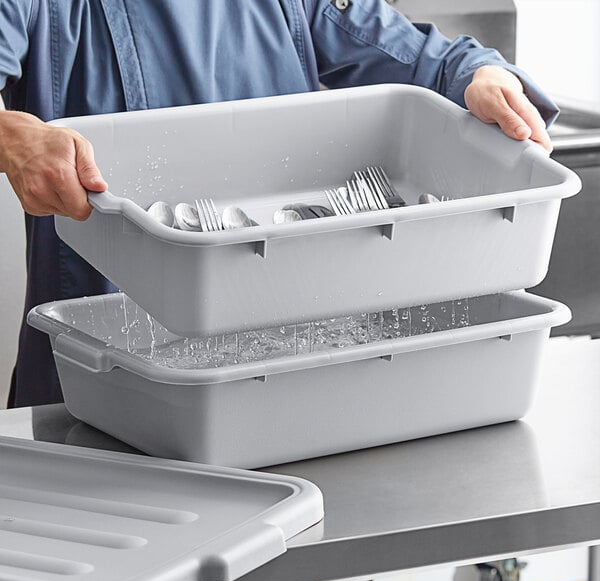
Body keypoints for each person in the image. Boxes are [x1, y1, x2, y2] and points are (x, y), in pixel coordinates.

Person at [0, 0, 557, 412]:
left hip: (287, 381)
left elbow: (420, 57)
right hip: (98, 385)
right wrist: (11, 136)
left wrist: (480, 76)